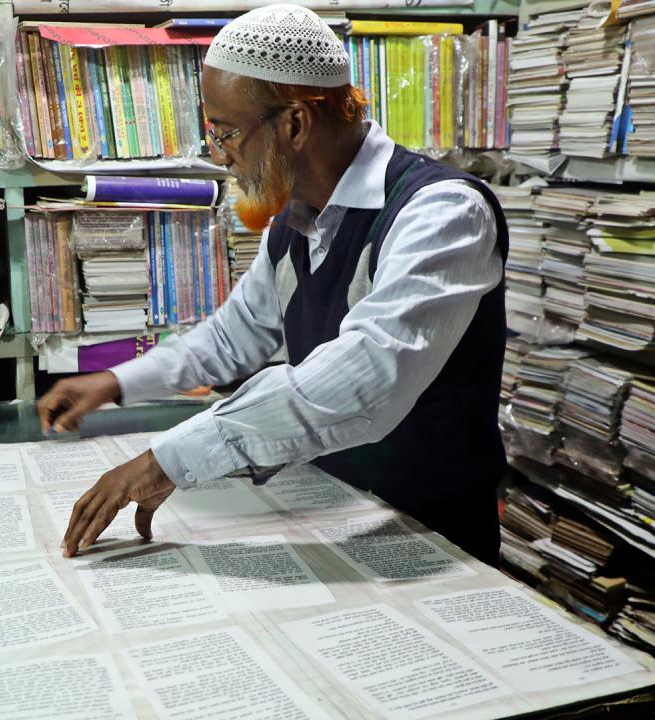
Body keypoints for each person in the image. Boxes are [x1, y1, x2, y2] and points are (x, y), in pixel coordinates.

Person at [39, 3, 508, 565]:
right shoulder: (297, 216)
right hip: (336, 514)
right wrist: (115, 383)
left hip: (435, 537)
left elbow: (366, 377)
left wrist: (166, 461)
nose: (220, 153)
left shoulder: (442, 213)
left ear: (294, 123)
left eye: (227, 131)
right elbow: (233, 339)